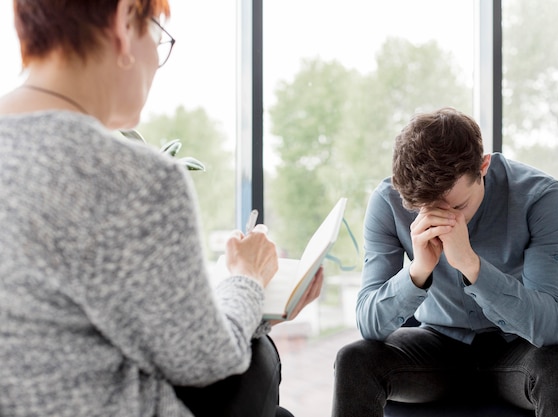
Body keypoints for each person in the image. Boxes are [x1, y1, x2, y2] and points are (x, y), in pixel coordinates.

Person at [0, 1, 322, 416]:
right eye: (156, 35)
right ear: (123, 21)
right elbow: (205, 359)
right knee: (257, 364)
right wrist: (250, 280)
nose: (156, 59)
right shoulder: (129, 177)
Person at [332, 107, 558, 417]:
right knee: (354, 359)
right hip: (436, 350)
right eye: (427, 212)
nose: (445, 221)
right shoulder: (388, 201)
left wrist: (472, 266)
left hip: (517, 348)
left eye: (458, 206)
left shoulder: (540, 196)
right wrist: (418, 271)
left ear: (483, 167)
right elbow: (369, 323)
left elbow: (553, 327)